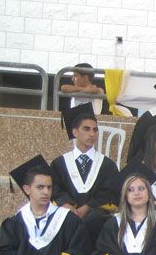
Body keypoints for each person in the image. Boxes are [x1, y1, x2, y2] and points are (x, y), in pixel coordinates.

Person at [50, 102, 120, 243]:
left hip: (96, 217)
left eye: (95, 130)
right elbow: (55, 189)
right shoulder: (59, 163)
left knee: (95, 218)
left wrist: (88, 207)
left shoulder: (107, 165)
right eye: (86, 129)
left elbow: (110, 192)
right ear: (75, 132)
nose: (92, 134)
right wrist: (66, 204)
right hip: (67, 212)